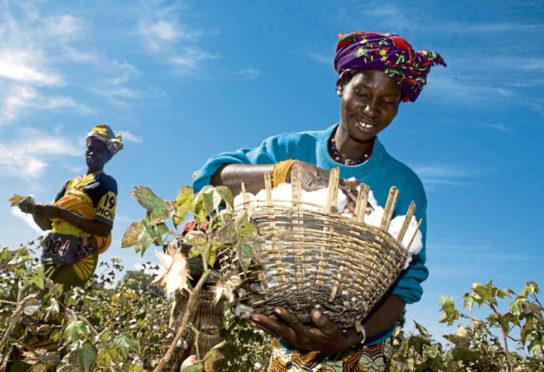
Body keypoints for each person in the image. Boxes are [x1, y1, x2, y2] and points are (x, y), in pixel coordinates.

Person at [193, 31, 445, 371]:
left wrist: (353, 336)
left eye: (388, 100)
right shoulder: (289, 149)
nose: (371, 109)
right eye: (362, 92)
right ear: (342, 86)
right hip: (288, 353)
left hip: (364, 354)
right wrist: (292, 170)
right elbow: (211, 179)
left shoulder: (403, 186)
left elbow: (409, 282)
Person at [18, 124, 123, 290]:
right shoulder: (71, 183)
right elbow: (46, 225)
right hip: (54, 249)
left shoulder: (106, 184)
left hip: (80, 253)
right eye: (90, 148)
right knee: (38, 301)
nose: (92, 153)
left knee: (58, 302)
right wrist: (33, 210)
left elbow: (103, 229)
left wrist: (62, 213)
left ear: (107, 157)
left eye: (99, 150)